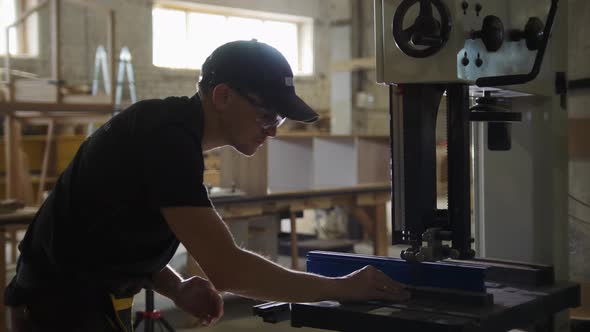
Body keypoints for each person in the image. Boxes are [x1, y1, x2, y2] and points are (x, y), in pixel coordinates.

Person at [4, 40, 409, 331]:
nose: (271, 131)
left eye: (279, 121)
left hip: (75, 296)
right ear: (222, 96)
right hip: (60, 305)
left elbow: (108, 231)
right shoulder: (166, 139)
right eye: (267, 114)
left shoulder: (170, 132)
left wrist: (175, 286)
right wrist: (339, 288)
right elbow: (228, 269)